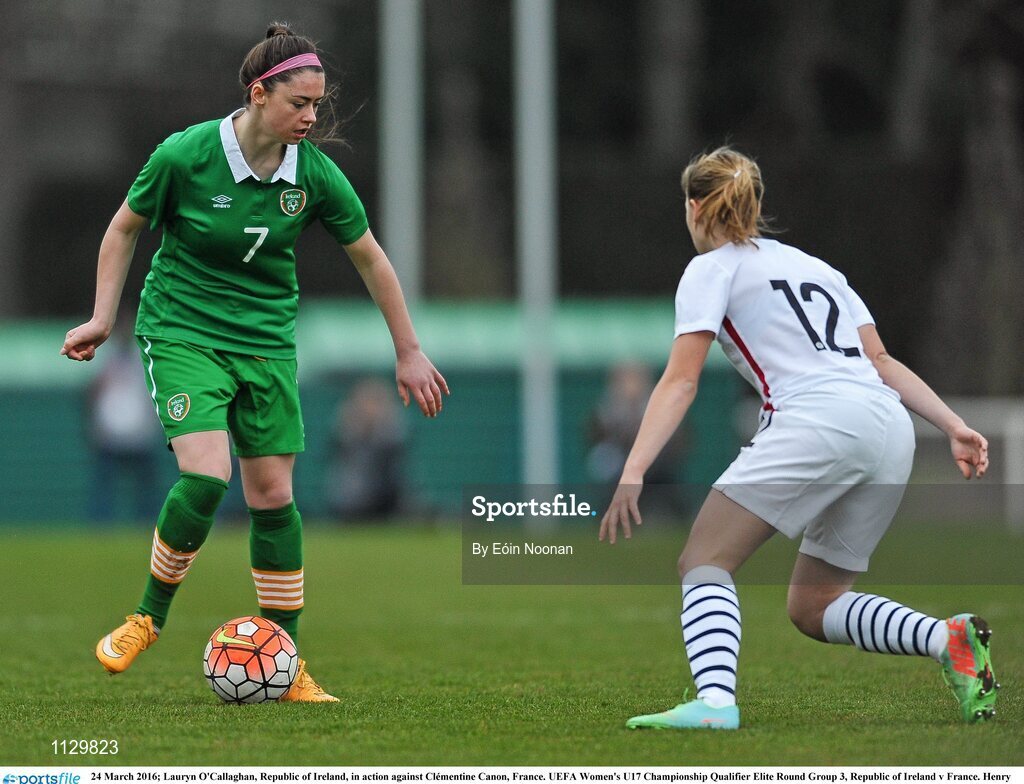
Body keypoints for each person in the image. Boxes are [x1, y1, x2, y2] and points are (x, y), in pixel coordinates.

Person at [61, 23, 448, 702]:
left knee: (273, 497)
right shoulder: (185, 154)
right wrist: (101, 315)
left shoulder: (316, 175)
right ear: (258, 93)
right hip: (182, 332)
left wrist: (409, 349)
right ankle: (146, 619)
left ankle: (287, 662)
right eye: (298, 103)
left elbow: (371, 259)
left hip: (267, 344)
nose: (310, 117)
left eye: (317, 105)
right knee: (207, 478)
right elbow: (125, 227)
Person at [599, 146, 997, 729]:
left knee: (704, 559)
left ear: (694, 207)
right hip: (888, 428)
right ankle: (949, 640)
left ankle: (714, 705)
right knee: (815, 604)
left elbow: (681, 380)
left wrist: (632, 469)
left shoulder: (710, 269)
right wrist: (953, 425)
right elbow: (880, 360)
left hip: (818, 421)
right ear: (754, 204)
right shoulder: (818, 268)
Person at [326, 378, 407, 521]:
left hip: (384, 492)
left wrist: (377, 425)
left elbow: (393, 451)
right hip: (353, 495)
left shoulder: (389, 428)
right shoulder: (348, 426)